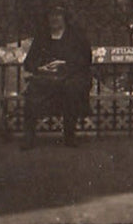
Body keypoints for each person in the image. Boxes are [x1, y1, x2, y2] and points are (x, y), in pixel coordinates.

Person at [20, 8, 92, 149]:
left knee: (71, 89)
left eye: (58, 15)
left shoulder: (76, 36)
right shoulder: (42, 37)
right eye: (51, 15)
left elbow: (86, 60)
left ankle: (69, 135)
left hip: (73, 75)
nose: (54, 19)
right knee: (33, 92)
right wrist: (41, 68)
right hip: (48, 77)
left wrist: (64, 64)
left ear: (64, 17)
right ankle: (29, 138)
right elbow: (29, 62)